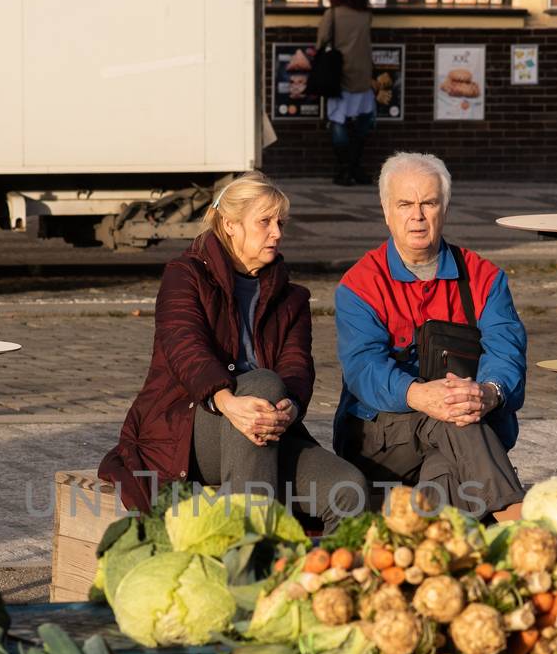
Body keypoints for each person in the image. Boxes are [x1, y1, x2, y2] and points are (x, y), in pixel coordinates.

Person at [100, 172, 366, 529]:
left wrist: (292, 409)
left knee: (349, 489)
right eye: (265, 222)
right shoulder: (186, 275)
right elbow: (184, 348)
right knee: (263, 384)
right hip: (188, 425)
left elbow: (297, 367)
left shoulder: (292, 298)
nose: (277, 233)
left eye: (280, 223)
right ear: (230, 224)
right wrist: (227, 402)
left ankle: (321, 582)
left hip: (266, 426)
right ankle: (246, 562)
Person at [333, 151, 528, 520]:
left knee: (449, 453)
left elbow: (507, 353)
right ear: (386, 210)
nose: (417, 216)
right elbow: (363, 369)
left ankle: (431, 536)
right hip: (381, 437)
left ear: (445, 207)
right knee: (450, 413)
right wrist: (421, 395)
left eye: (429, 203)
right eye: (405, 204)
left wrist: (489, 393)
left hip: (464, 429)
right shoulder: (360, 285)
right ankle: (519, 525)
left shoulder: (485, 278)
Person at [316, 0, 375, 187]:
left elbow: (321, 41)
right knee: (362, 122)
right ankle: (355, 166)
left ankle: (344, 168)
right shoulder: (366, 15)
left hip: (338, 75)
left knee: (338, 122)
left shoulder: (332, 14)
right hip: (363, 75)